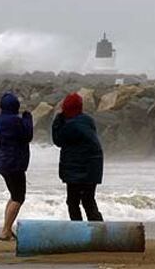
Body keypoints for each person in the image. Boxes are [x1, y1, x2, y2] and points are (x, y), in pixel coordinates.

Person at [52, 92, 104, 221]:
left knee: (73, 202)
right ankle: (98, 230)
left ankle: (78, 231)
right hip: (94, 167)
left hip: (76, 169)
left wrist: (57, 119)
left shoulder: (70, 125)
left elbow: (58, 140)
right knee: (88, 200)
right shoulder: (88, 120)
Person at [0, 92, 33, 241]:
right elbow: (28, 135)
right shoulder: (16, 122)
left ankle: (7, 228)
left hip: (3, 162)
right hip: (15, 163)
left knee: (14, 195)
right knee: (18, 197)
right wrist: (28, 118)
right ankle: (5, 230)